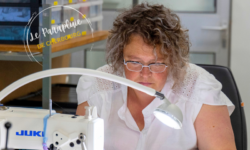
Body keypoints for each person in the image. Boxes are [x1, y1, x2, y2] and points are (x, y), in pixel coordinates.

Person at [76, 3, 236, 150]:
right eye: (134, 62)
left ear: (173, 61)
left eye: (157, 63)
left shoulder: (199, 90)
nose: (145, 73)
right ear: (120, 58)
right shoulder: (98, 86)